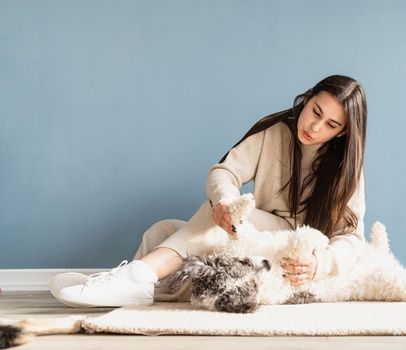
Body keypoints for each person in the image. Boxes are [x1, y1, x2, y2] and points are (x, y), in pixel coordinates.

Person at [50, 74, 368, 307]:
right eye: (316, 111)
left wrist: (322, 264)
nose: (314, 127)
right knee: (161, 231)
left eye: (331, 125)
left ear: (343, 133)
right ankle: (132, 287)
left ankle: (138, 279)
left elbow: (351, 236)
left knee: (205, 221)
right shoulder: (275, 131)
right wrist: (225, 201)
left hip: (296, 250)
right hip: (259, 236)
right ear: (308, 97)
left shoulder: (347, 167)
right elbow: (225, 171)